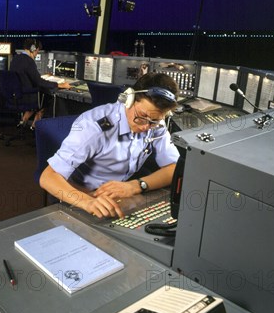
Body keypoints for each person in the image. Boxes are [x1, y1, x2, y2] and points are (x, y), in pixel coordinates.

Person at [39, 72, 180, 219]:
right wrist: (88, 202)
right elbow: (48, 177)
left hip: (121, 193)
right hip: (82, 196)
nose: (145, 127)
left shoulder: (157, 125)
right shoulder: (92, 127)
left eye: (154, 120)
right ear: (129, 99)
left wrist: (136, 186)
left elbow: (173, 168)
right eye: (141, 116)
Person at [9, 38, 71, 128]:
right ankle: (34, 127)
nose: (37, 53)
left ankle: (23, 122)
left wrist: (42, 76)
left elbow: (26, 76)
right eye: (37, 51)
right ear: (34, 49)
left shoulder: (16, 58)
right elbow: (39, 82)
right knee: (46, 99)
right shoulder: (29, 61)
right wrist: (59, 85)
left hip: (18, 95)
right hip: (27, 96)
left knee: (36, 101)